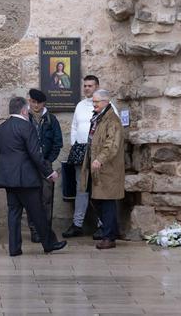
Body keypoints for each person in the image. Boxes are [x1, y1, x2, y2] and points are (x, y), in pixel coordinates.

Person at [0, 96, 67, 256]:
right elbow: (35, 154)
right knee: (38, 212)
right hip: (26, 178)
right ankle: (49, 244)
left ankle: (14, 248)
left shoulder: (1, 128)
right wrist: (49, 172)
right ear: (23, 110)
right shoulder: (27, 127)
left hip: (9, 178)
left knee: (13, 213)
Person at [81, 89, 124, 249]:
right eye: (93, 102)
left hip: (108, 170)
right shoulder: (99, 118)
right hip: (97, 169)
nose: (94, 104)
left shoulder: (112, 120)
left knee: (106, 202)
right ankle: (111, 230)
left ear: (106, 101)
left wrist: (100, 159)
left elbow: (112, 144)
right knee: (97, 200)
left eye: (96, 102)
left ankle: (109, 237)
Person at [63, 75, 98, 238]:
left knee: (99, 188)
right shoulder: (80, 105)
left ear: (97, 87)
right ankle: (77, 224)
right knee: (81, 188)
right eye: (85, 85)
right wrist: (75, 143)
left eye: (90, 86)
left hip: (98, 152)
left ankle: (102, 224)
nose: (87, 88)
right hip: (80, 150)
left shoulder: (107, 105)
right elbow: (74, 126)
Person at [25, 89, 62, 243]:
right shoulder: (24, 118)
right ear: (29, 101)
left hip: (45, 164)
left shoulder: (51, 119)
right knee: (31, 198)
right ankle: (34, 230)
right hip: (29, 164)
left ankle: (45, 230)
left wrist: (48, 160)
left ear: (43, 103)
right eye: (33, 102)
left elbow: (57, 142)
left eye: (38, 103)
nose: (35, 105)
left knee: (46, 198)